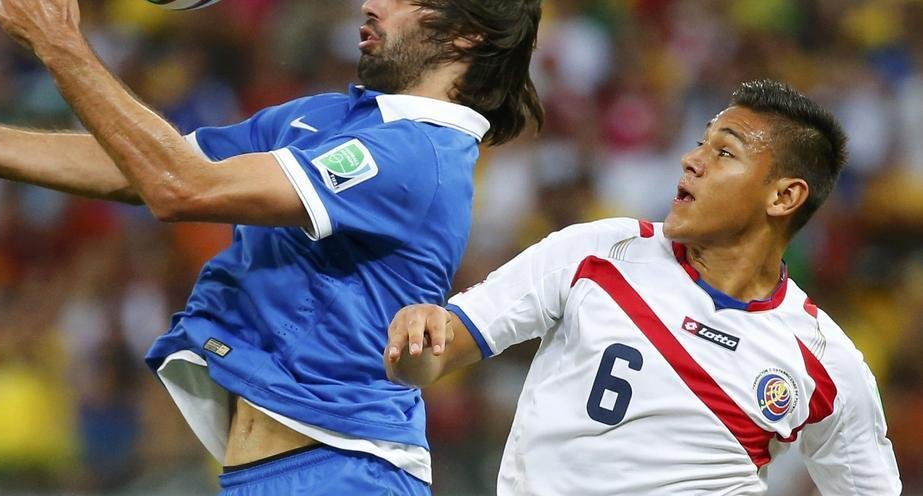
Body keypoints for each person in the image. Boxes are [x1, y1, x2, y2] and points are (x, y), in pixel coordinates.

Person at [0, 0, 545, 494]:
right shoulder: (329, 119)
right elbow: (144, 166)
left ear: (464, 33)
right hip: (274, 471)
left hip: (346, 469)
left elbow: (180, 188)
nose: (372, 0)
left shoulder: (418, 156)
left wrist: (61, 48)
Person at [384, 79, 901, 495]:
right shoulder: (596, 252)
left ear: (785, 196)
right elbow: (434, 355)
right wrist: (416, 339)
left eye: (725, 153)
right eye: (702, 141)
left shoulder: (825, 363)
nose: (691, 160)